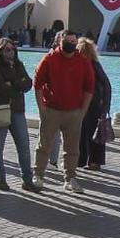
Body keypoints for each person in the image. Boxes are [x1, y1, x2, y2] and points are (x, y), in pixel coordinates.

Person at [32, 30, 93, 192]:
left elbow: (89, 88)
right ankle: (38, 175)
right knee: (44, 144)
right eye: (68, 41)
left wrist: (83, 111)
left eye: (74, 42)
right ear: (60, 41)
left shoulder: (83, 62)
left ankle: (70, 178)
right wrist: (41, 108)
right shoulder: (49, 59)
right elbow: (37, 83)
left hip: (74, 112)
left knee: (72, 148)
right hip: (51, 110)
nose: (71, 44)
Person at [0, 38, 35, 192]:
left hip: (17, 110)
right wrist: (17, 85)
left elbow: (28, 84)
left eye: (13, 49)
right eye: (7, 49)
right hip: (0, 109)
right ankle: (0, 178)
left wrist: (12, 82)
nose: (11, 52)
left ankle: (27, 180)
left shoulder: (19, 65)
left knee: (24, 146)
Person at [78, 38, 113, 171]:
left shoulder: (91, 65)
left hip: (92, 104)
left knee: (91, 133)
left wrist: (105, 106)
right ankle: (87, 160)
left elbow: (105, 85)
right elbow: (106, 85)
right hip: (94, 103)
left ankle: (91, 161)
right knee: (88, 133)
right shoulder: (94, 64)